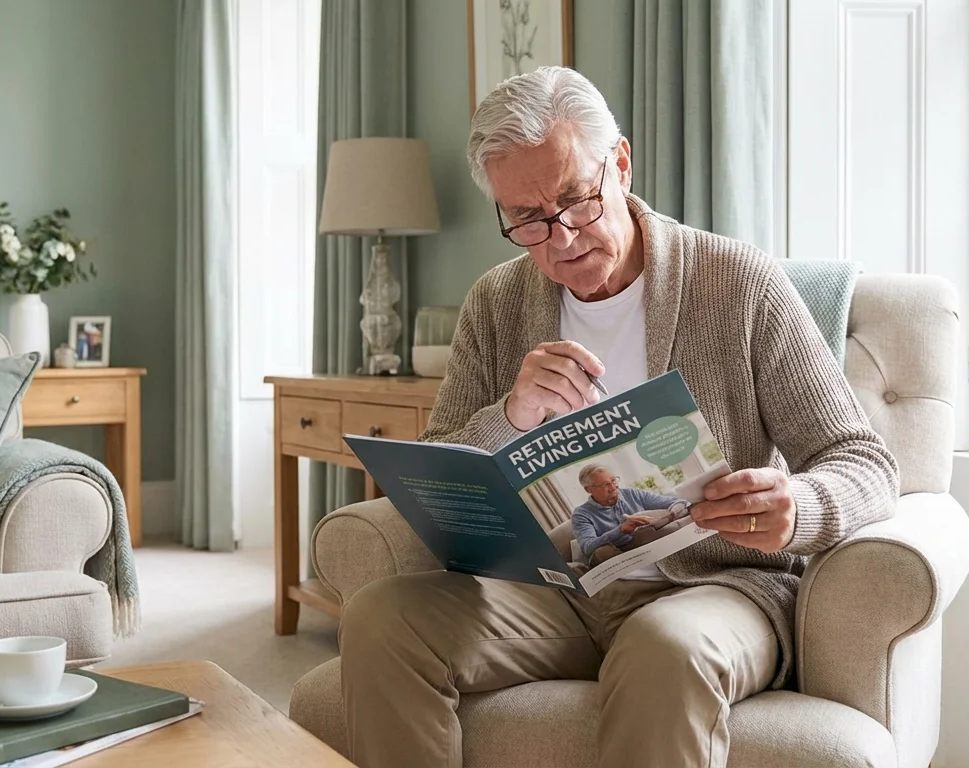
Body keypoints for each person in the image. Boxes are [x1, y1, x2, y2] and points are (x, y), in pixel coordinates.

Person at [337, 66, 899, 768]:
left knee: (664, 649)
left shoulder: (740, 283)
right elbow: (442, 463)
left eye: (577, 198)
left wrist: (799, 506)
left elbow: (863, 461)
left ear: (621, 165)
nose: (563, 237)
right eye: (529, 219)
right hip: (554, 594)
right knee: (382, 619)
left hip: (715, 589)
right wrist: (508, 417)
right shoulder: (496, 302)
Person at [570, 463, 689, 565]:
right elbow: (588, 547)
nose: (613, 487)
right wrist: (620, 530)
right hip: (619, 557)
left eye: (613, 480)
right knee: (603, 552)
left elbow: (678, 502)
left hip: (647, 546)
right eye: (605, 485)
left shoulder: (631, 493)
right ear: (589, 489)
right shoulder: (581, 514)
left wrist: (672, 514)